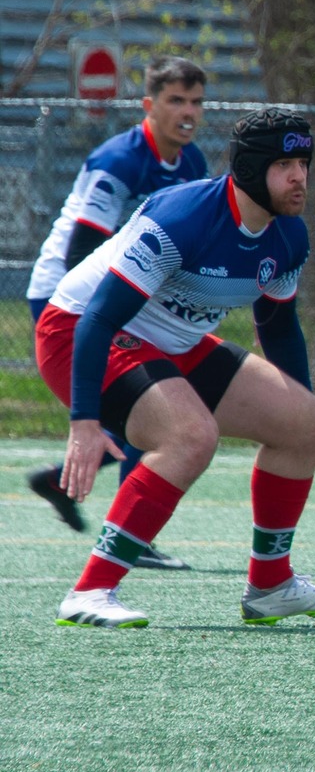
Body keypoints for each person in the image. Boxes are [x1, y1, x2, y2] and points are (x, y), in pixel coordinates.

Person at [42, 107, 315, 630]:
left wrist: (307, 424)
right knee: (191, 436)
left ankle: (271, 585)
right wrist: (84, 422)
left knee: (303, 419)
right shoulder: (181, 218)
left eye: (304, 162)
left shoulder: (289, 237)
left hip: (171, 341)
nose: (300, 176)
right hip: (76, 332)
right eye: (285, 164)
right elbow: (99, 317)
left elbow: (278, 327)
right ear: (252, 170)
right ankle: (90, 590)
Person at [25, 56, 210, 559]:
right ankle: (131, 532)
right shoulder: (120, 162)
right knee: (149, 406)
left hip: (127, 298)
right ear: (149, 106)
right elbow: (81, 250)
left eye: (195, 101)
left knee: (153, 406)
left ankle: (69, 489)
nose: (187, 112)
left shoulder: (191, 163)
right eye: (175, 100)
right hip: (66, 295)